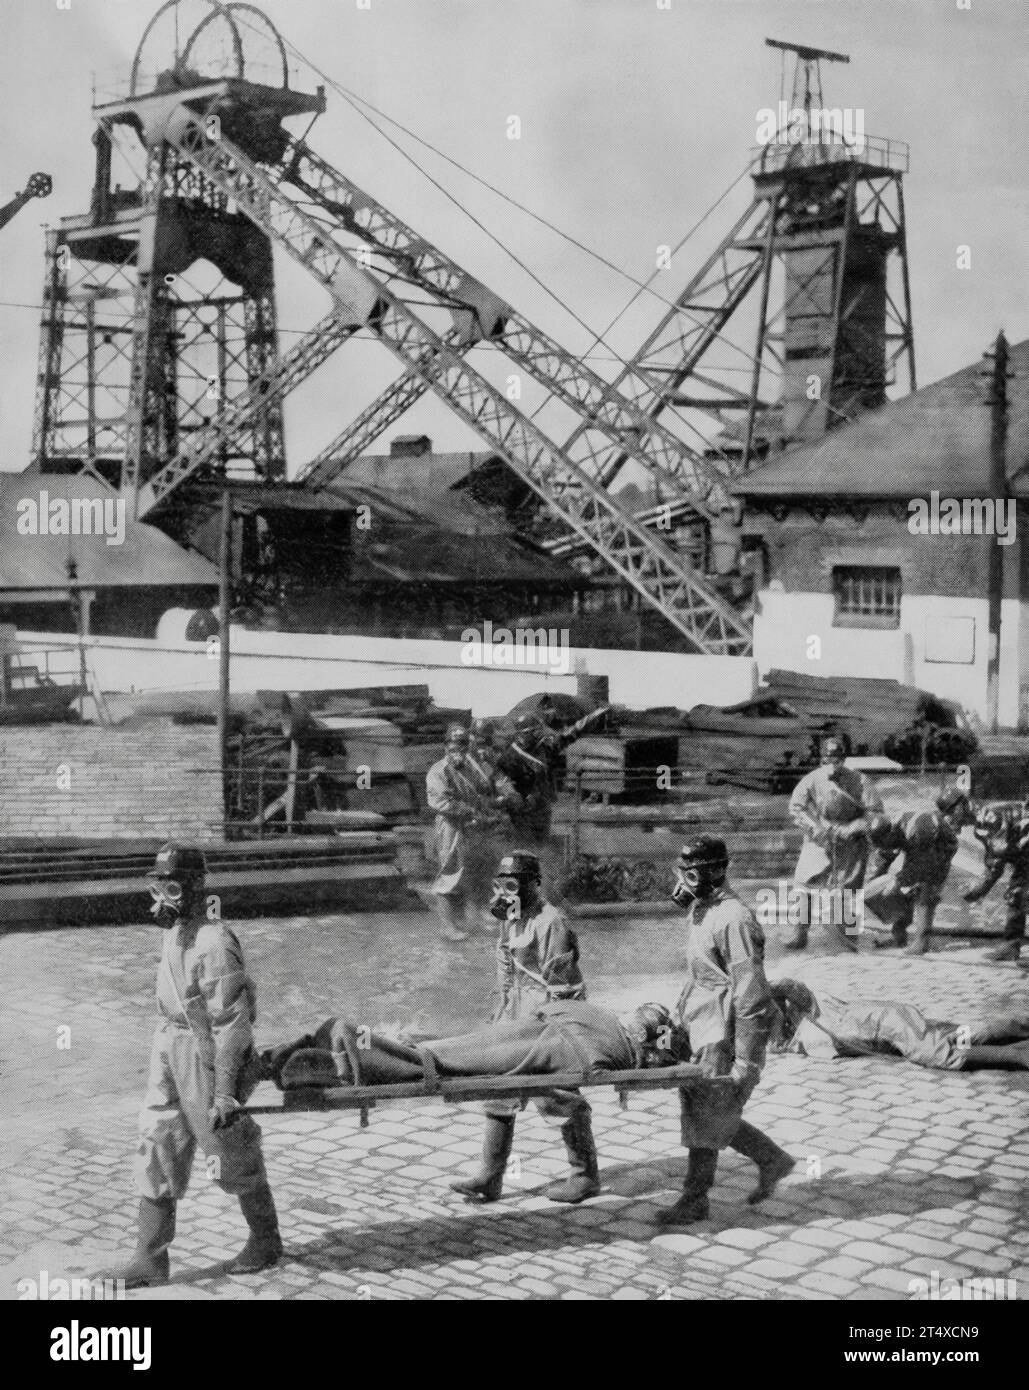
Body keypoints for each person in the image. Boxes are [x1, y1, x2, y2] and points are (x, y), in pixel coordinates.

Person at [100, 844, 281, 1289]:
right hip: (169, 1043)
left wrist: (224, 1092)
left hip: (206, 1050)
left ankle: (266, 1239)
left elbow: (233, 1025)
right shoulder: (176, 932)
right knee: (157, 1138)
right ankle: (149, 1257)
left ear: (196, 887)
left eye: (172, 886)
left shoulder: (215, 942)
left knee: (226, 1146)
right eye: (158, 886)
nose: (162, 896)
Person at [653, 836, 795, 1227]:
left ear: (716, 871)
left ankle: (695, 1199)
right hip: (701, 1024)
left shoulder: (734, 918)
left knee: (709, 1110)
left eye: (693, 872)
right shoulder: (701, 909)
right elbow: (702, 974)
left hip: (723, 1030)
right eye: (682, 871)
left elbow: (751, 995)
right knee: (708, 1109)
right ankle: (772, 1159)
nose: (685, 880)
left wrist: (747, 1059)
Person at [450, 850, 602, 1205]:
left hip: (544, 1016)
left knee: (557, 1094)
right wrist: (501, 1009)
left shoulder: (552, 923)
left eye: (512, 884)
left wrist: (558, 1030)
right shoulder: (510, 917)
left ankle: (585, 1175)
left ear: (534, 884)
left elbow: (566, 986)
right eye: (500, 884)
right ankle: (490, 1177)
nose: (505, 892)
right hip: (514, 1011)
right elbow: (505, 962)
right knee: (499, 1087)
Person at [260, 999, 693, 1091]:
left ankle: (341, 1047)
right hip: (543, 1031)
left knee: (446, 1058)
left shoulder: (620, 1042)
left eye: (650, 1024)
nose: (643, 1021)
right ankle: (339, 1046)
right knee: (443, 1054)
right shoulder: (609, 1023)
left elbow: (597, 1065)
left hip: (551, 1043)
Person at [768, 977, 1029, 1071]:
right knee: (959, 1036)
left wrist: (760, 990)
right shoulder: (793, 1038)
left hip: (889, 1022)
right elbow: (776, 1043)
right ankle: (1019, 1030)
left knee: (934, 1054)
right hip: (892, 1029)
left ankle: (1017, 1055)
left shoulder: (809, 1010)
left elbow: (790, 986)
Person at [785, 735, 883, 951]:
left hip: (850, 841)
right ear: (821, 760)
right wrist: (815, 827)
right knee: (804, 885)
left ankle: (847, 936)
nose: (831, 765)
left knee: (847, 890)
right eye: (827, 760)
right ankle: (799, 932)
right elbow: (796, 807)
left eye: (836, 760)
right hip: (820, 839)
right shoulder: (811, 779)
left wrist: (853, 827)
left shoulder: (860, 781)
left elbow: (875, 812)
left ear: (844, 759)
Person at [863, 787, 971, 954]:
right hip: (916, 849)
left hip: (939, 849)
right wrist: (874, 880)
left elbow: (922, 865)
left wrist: (898, 880)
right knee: (903, 892)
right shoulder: (891, 827)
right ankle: (899, 935)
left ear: (889, 835)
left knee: (925, 894)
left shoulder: (919, 830)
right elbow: (885, 854)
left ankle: (922, 942)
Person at [425, 724, 502, 941]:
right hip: (450, 824)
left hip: (470, 825)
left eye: (462, 746)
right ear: (445, 747)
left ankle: (470, 918)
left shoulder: (470, 768)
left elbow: (484, 788)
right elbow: (440, 801)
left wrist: (488, 808)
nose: (457, 751)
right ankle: (447, 926)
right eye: (453, 747)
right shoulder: (438, 771)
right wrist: (470, 811)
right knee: (451, 872)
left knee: (475, 869)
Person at [962, 801, 1029, 962]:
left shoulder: (998, 819)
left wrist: (979, 890)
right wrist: (979, 890)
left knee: (1024, 895)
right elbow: (995, 863)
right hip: (1025, 859)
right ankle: (1010, 947)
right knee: (1016, 895)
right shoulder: (993, 822)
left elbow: (998, 857)